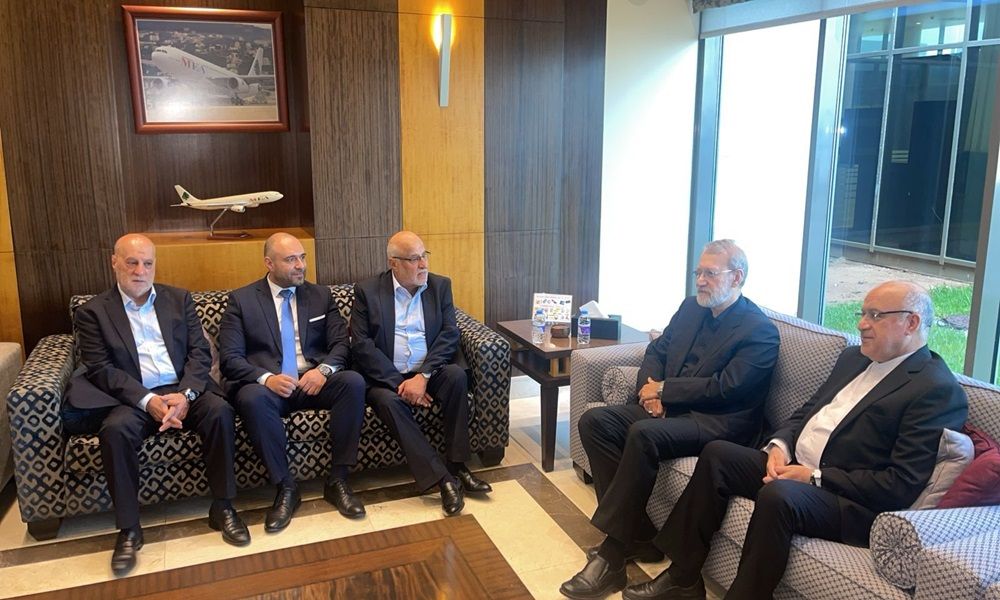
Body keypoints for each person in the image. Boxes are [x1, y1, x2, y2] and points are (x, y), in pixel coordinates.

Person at [622, 281, 968, 600]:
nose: (863, 324)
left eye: (875, 315)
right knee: (718, 456)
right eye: (862, 313)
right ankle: (683, 577)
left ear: (911, 323)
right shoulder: (853, 358)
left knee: (780, 496)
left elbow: (900, 484)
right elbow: (807, 411)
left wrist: (814, 477)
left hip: (849, 501)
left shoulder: (934, 389)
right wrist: (779, 446)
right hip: (798, 468)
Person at [560, 239, 780, 599]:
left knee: (644, 435)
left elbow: (727, 387)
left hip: (718, 422)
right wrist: (650, 392)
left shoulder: (759, 330)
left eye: (710, 274)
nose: (701, 281)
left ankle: (614, 553)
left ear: (737, 276)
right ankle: (640, 535)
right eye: (698, 272)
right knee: (595, 422)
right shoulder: (691, 308)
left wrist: (665, 390)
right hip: (672, 409)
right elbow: (656, 350)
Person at [66, 234, 248, 575]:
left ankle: (223, 507)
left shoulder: (178, 299)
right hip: (134, 396)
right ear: (114, 262)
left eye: (147, 263)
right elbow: (101, 369)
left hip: (182, 389)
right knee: (115, 431)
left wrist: (186, 395)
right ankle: (129, 529)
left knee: (220, 412)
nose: (140, 271)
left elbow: (199, 352)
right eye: (132, 262)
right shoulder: (93, 312)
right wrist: (148, 400)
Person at [218, 232, 367, 532]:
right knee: (251, 398)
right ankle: (286, 487)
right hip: (270, 387)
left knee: (352, 382)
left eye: (302, 257)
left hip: (313, 380)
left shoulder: (320, 295)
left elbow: (341, 345)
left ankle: (338, 480)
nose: (300, 265)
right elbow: (230, 359)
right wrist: (267, 379)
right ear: (269, 263)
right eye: (290, 259)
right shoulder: (242, 301)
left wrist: (323, 370)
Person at [350, 231, 491, 517]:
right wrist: (399, 384)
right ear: (394, 263)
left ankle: (457, 465)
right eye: (414, 259)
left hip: (428, 370)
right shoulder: (367, 291)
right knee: (390, 403)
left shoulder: (439, 286)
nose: (423, 264)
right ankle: (443, 480)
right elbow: (362, 346)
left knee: (456, 377)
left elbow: (450, 334)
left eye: (424, 256)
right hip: (386, 377)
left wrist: (423, 376)